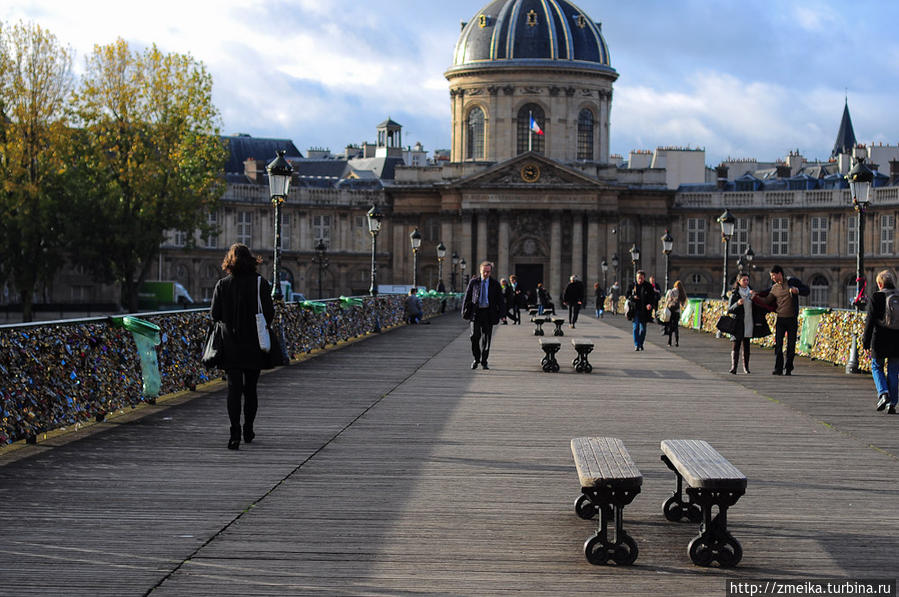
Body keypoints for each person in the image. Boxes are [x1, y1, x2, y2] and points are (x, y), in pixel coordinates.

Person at [210, 243, 275, 450]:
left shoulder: (222, 284)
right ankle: (248, 428)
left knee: (233, 389)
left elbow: (214, 315)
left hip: (230, 344)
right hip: (254, 343)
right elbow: (269, 313)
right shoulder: (260, 283)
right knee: (251, 389)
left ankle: (234, 432)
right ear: (251, 260)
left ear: (229, 262)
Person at [755, 265, 809, 375]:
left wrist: (797, 290)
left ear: (779, 273)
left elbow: (807, 290)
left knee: (791, 345)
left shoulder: (792, 281)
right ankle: (778, 368)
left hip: (792, 318)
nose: (772, 278)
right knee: (778, 344)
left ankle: (788, 368)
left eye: (773, 275)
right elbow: (766, 300)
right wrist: (755, 297)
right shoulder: (774, 288)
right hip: (780, 319)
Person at [863, 270, 899, 413]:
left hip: (880, 338)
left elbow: (870, 321)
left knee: (876, 366)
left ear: (879, 283)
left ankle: (883, 393)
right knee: (893, 371)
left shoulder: (877, 296)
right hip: (897, 339)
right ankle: (893, 404)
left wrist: (865, 341)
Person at [462, 261, 504, 370]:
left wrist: (502, 314)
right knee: (474, 336)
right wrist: (464, 311)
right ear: (480, 271)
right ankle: (476, 358)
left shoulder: (495, 284)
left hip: (488, 313)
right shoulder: (473, 282)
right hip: (476, 313)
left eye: (488, 272)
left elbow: (500, 301)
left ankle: (484, 361)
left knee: (487, 339)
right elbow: (467, 297)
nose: (486, 274)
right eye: (484, 271)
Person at [726, 273, 771, 373]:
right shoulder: (735, 294)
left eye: (747, 280)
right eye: (744, 280)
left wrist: (755, 298)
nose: (746, 282)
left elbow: (759, 306)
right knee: (736, 344)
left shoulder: (751, 293)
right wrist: (737, 304)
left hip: (749, 321)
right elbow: (729, 309)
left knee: (746, 345)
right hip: (738, 322)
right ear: (739, 281)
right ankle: (734, 367)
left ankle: (746, 368)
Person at [627, 270, 657, 351]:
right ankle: (636, 344)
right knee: (635, 327)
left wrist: (650, 304)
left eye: (641, 278)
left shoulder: (648, 286)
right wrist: (633, 297)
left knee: (643, 329)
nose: (639, 280)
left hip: (644, 311)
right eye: (638, 278)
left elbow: (652, 297)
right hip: (635, 309)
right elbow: (627, 295)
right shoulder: (632, 285)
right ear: (636, 278)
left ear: (644, 278)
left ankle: (641, 343)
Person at [663, 280, 688, 347]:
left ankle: (669, 341)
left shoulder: (670, 291)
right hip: (677, 311)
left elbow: (666, 300)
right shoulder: (681, 293)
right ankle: (676, 341)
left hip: (670, 311)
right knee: (676, 326)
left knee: (670, 326)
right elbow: (683, 304)